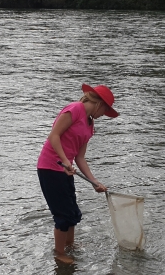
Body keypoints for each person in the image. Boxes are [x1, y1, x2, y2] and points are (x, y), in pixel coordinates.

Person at [37, 84, 119, 263]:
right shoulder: (74, 109)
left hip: (65, 171)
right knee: (63, 215)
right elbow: (54, 136)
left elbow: (80, 158)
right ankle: (59, 254)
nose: (104, 115)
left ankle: (70, 245)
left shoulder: (90, 125)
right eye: (105, 110)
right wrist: (66, 161)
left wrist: (94, 181)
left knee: (73, 213)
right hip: (50, 167)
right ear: (99, 104)